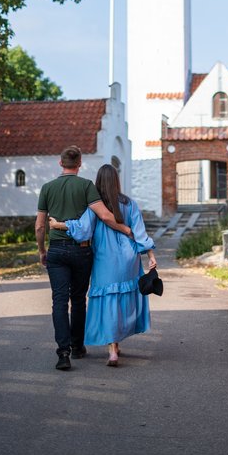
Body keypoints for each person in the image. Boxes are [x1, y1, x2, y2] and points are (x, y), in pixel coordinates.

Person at [49, 163, 157, 367]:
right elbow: (139, 232)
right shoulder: (129, 203)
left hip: (104, 259)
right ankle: (118, 341)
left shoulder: (95, 206)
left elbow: (82, 230)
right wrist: (150, 254)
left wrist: (58, 225)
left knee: (108, 300)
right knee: (123, 299)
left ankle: (112, 348)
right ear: (116, 180)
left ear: (98, 182)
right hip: (128, 258)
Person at [35, 146, 131, 371]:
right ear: (79, 164)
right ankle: (78, 347)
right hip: (81, 251)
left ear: (60, 163)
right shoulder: (86, 186)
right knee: (78, 298)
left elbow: (40, 226)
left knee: (59, 301)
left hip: (56, 250)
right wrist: (125, 229)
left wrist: (42, 251)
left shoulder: (47, 188)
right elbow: (105, 216)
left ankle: (63, 353)